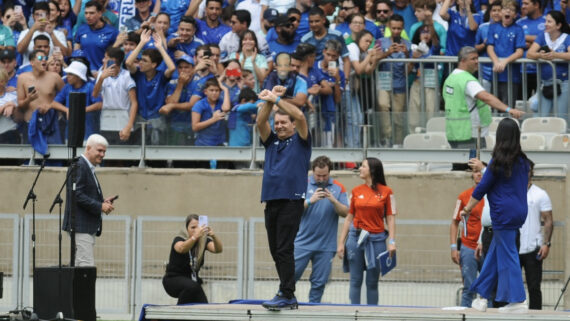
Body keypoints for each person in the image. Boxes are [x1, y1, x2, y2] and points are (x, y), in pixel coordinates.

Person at [463, 117, 531, 313]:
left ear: (500, 136)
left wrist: (467, 208)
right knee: (493, 253)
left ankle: (518, 301)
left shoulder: (497, 161)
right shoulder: (523, 161)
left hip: (503, 213)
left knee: (509, 254)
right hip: (519, 212)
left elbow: (482, 188)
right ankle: (482, 296)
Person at [256, 84, 311, 310]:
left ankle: (287, 294)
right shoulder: (272, 142)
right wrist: (271, 99)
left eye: (282, 122)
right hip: (271, 200)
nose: (278, 126)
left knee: (284, 248)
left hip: (291, 199)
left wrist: (277, 100)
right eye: (276, 123)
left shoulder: (301, 140)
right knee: (275, 249)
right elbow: (260, 122)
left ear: (292, 125)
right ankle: (285, 291)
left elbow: (299, 114)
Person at [337, 157, 397, 305]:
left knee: (372, 282)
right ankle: (354, 313)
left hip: (376, 240)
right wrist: (341, 243)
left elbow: (390, 218)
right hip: (355, 238)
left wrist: (392, 241)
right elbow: (349, 218)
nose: (360, 169)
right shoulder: (356, 191)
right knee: (355, 280)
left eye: (363, 166)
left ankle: (372, 313)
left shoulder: (387, 192)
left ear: (372, 170)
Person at [442, 46, 523, 149]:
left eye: (477, 58)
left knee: (459, 164)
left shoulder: (451, 78)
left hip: (453, 132)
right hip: (469, 133)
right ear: (462, 61)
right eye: (473, 59)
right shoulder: (467, 80)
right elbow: (486, 97)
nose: (477, 62)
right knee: (476, 163)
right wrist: (509, 109)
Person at [294, 156, 349, 303]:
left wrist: (334, 201)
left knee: (319, 283)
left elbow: (346, 213)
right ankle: (287, 305)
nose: (321, 178)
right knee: (290, 277)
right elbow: (292, 210)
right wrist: (309, 201)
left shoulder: (338, 187)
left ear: (330, 172)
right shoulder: (301, 183)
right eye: (318, 175)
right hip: (302, 243)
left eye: (325, 175)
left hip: (326, 245)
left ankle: (313, 311)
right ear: (312, 171)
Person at [62, 134, 116, 267]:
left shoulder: (85, 166)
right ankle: (83, 289)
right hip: (81, 226)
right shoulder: (80, 166)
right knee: (86, 267)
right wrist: (99, 206)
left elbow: (80, 194)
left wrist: (102, 201)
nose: (102, 154)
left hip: (83, 226)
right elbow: (76, 195)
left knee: (80, 266)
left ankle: (76, 288)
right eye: (99, 150)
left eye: (104, 151)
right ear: (88, 148)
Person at [125, 29, 175, 145]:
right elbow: (128, 63)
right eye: (141, 60)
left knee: (157, 156)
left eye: (144, 61)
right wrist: (142, 43)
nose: (140, 63)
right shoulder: (138, 75)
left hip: (158, 121)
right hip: (140, 119)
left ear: (154, 65)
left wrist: (161, 47)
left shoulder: (161, 76)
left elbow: (172, 68)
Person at [162, 214, 223, 304]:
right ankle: (178, 314)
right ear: (186, 229)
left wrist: (213, 236)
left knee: (202, 302)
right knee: (192, 287)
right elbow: (181, 248)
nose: (196, 230)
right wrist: (195, 237)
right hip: (172, 280)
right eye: (193, 227)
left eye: (198, 227)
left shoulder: (203, 241)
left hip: (191, 282)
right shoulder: (179, 239)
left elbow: (218, 249)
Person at [519, 161, 553, 310]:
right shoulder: (511, 192)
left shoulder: (540, 194)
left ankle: (536, 317)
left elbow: (548, 221)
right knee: (510, 287)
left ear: (531, 172)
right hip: (513, 247)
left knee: (534, 288)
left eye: (527, 170)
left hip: (534, 249)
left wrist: (546, 243)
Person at [450, 166, 484, 307]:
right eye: (476, 172)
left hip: (488, 248)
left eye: (481, 171)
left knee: (489, 289)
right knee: (469, 289)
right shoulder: (464, 196)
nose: (479, 175)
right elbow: (454, 222)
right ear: (472, 175)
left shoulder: (493, 195)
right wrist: (453, 247)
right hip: (469, 247)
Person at [527, 10, 570, 121]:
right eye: (546, 21)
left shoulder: (567, 38)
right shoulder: (542, 36)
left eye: (549, 21)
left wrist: (556, 55)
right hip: (545, 83)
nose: (545, 24)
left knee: (561, 118)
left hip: (563, 83)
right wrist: (540, 55)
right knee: (541, 117)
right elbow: (529, 54)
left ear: (558, 25)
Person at [93, 47, 139, 145]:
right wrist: (101, 79)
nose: (103, 60)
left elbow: (134, 103)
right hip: (106, 121)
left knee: (122, 155)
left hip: (124, 121)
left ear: (113, 60)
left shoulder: (127, 76)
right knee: (106, 155)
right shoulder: (102, 74)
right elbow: (95, 95)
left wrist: (129, 126)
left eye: (106, 58)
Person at [486, 0, 525, 105]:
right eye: (505, 9)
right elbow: (490, 47)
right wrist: (496, 62)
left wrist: (504, 62)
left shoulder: (518, 29)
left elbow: (520, 51)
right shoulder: (493, 27)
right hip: (495, 74)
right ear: (501, 12)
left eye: (511, 10)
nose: (507, 11)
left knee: (507, 107)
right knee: (494, 106)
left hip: (512, 76)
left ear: (515, 15)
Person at [51, 60, 102, 140]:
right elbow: (54, 103)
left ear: (79, 76)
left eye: (70, 74)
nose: (67, 76)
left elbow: (99, 104)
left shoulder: (90, 87)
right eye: (67, 74)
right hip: (70, 131)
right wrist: (68, 110)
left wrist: (80, 111)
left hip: (89, 132)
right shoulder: (67, 87)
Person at [73, 1, 119, 75]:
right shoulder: (81, 29)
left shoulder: (112, 32)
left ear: (100, 14)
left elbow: (115, 56)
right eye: (86, 13)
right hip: (84, 74)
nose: (88, 16)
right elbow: (76, 51)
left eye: (91, 13)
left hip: (103, 74)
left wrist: (102, 72)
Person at [191, 78, 231, 146]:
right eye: (211, 90)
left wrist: (226, 90)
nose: (214, 93)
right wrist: (213, 119)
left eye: (217, 90)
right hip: (203, 144)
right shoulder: (199, 104)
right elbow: (195, 127)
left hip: (219, 144)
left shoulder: (221, 102)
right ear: (205, 92)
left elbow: (226, 108)